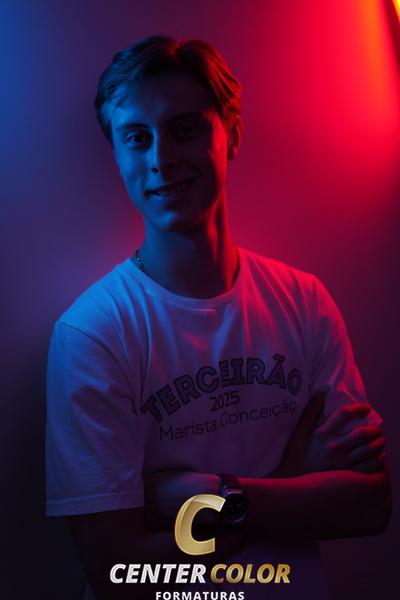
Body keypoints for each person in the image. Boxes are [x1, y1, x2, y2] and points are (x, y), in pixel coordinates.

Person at [46, 35, 392, 600]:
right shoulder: (94, 334)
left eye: (184, 129)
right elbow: (116, 573)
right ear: (118, 156)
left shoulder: (304, 302)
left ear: (232, 133)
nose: (161, 159)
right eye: (137, 138)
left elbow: (370, 506)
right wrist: (290, 481)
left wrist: (200, 497)